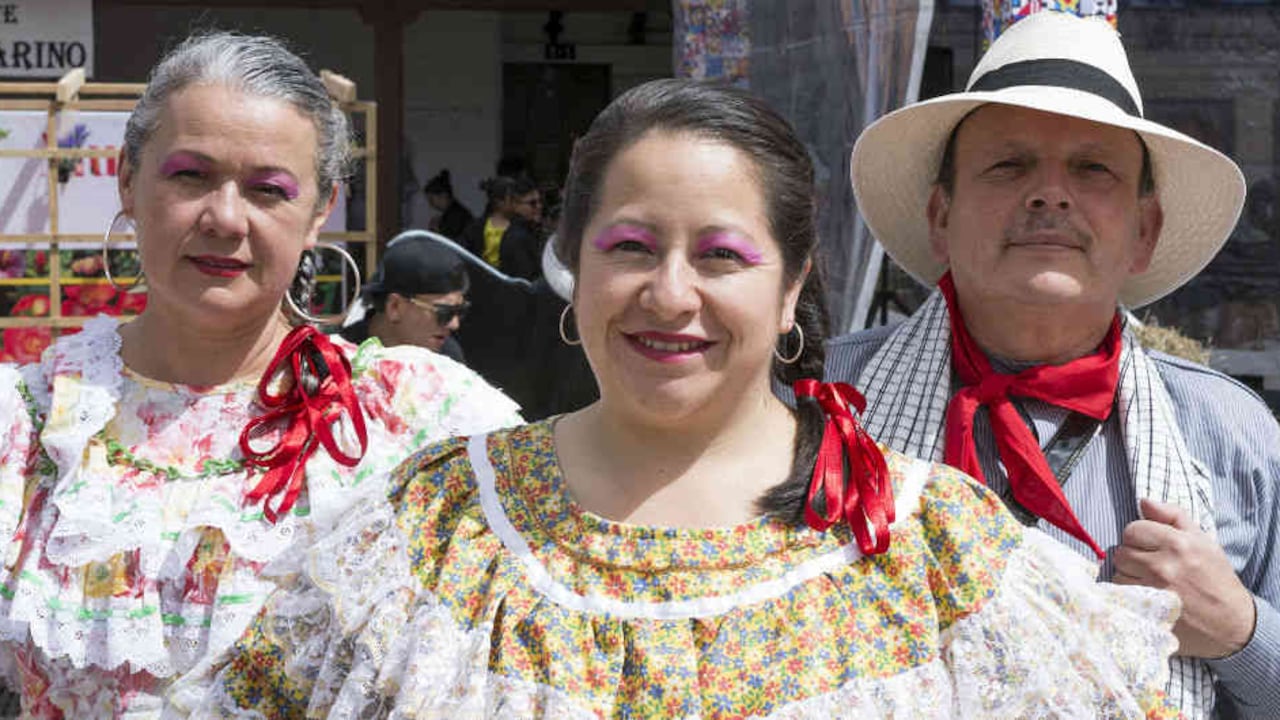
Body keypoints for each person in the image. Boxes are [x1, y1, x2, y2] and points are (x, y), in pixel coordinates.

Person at [178, 78, 1184, 718]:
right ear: (572, 268)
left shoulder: (932, 549)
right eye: (628, 247)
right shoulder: (432, 531)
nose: (669, 294)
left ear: (790, 287)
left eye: (720, 256)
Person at [0, 32, 520, 717]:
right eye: (189, 175)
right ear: (128, 180)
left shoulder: (423, 420)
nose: (224, 217)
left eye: (268, 189)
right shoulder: (32, 421)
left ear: (319, 210)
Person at [830, 11, 1278, 719]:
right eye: (1008, 165)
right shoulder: (820, 408)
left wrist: (1240, 632)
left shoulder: (1231, 435)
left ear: (1144, 230)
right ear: (941, 217)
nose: (1049, 194)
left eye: (1092, 169)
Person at [338, 234, 470, 362]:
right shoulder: (339, 358)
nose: (454, 324)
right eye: (444, 312)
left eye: (460, 311)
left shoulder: (447, 357)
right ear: (394, 306)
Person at [460, 174, 544, 280]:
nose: (515, 202)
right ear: (500, 202)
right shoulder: (518, 233)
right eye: (512, 199)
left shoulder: (521, 227)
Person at [422, 168, 475, 241]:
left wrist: (437, 231)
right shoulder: (451, 214)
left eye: (431, 199)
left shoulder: (458, 216)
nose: (430, 204)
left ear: (443, 195)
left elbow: (451, 243)